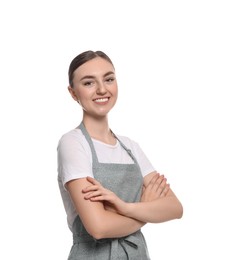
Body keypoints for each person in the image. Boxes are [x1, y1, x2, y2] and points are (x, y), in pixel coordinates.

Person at [57, 50, 183, 260]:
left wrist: (123, 206)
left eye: (109, 79)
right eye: (89, 83)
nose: (102, 89)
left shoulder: (130, 147)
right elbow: (98, 228)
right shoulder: (73, 143)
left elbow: (175, 208)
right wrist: (145, 213)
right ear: (73, 93)